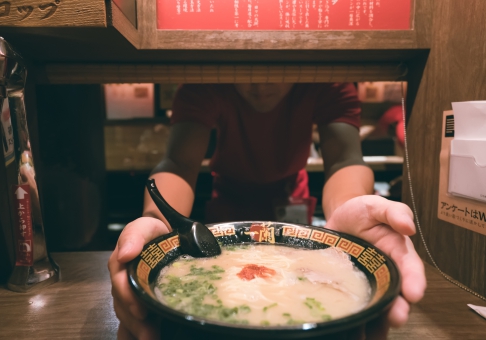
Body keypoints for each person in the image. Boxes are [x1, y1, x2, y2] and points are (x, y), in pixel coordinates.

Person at [108, 83, 426, 340]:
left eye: (279, 70)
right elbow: (179, 162)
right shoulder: (207, 75)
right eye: (245, 71)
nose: (260, 85)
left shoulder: (327, 75)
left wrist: (347, 210)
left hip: (292, 210)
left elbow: (344, 160)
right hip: (226, 214)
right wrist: (156, 222)